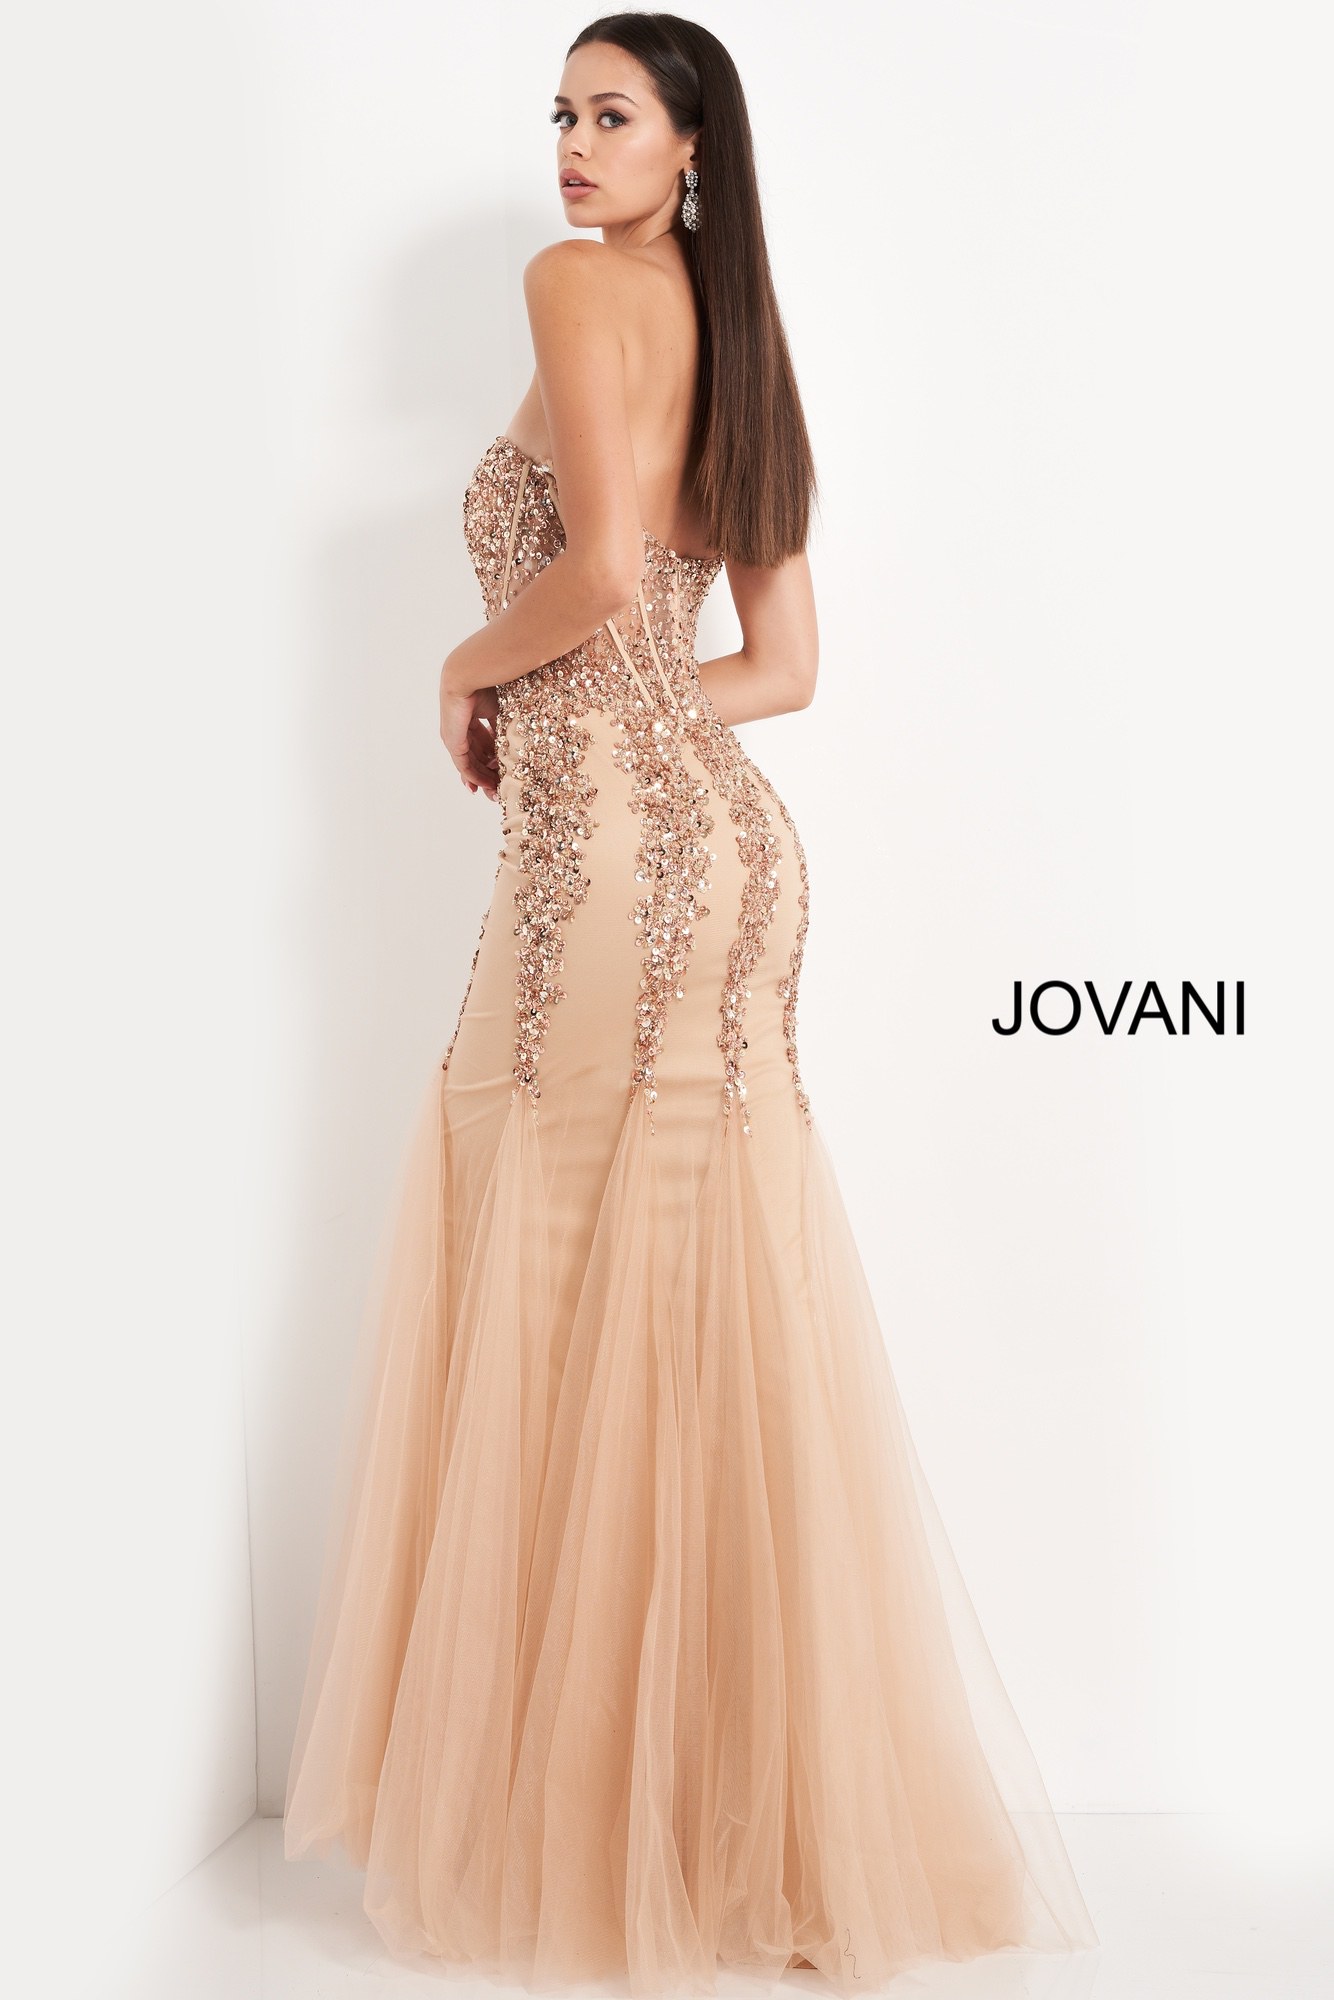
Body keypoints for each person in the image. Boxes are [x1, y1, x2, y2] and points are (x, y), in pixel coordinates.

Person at [283, 14, 1100, 1992]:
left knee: (567, 1278)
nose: (571, 147)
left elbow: (597, 571)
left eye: (611, 113)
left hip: (610, 878)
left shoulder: (573, 287)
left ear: (692, 146)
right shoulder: (745, 347)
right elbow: (774, 668)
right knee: (692, 1296)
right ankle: (726, 1818)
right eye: (558, 114)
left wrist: (470, 673)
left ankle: (601, 1827)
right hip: (732, 853)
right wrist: (613, 726)